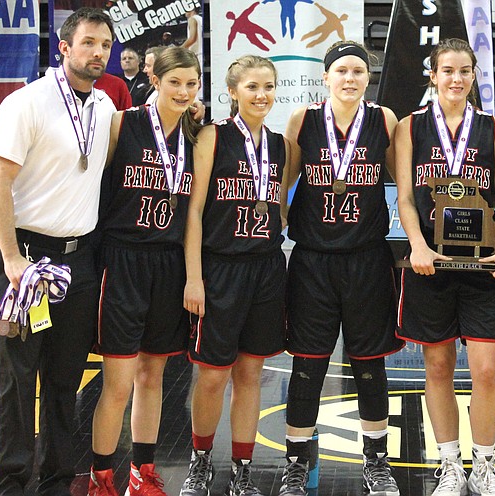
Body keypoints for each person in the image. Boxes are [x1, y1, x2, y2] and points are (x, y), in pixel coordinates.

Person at [0, 7, 116, 496]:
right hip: (25, 259)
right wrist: (12, 258)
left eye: (104, 45)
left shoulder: (103, 108)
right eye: (88, 43)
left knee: (65, 379)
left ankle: (58, 479)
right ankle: (11, 482)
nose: (98, 52)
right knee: (18, 379)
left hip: (79, 261)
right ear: (64, 48)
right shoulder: (29, 102)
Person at [395, 38, 495, 496]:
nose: (456, 79)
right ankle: (449, 464)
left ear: (474, 75)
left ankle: (484, 465)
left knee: (487, 370)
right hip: (431, 265)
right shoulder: (410, 127)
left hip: (484, 264)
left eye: (464, 71)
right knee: (439, 366)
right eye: (447, 71)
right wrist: (417, 245)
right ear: (433, 75)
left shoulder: (492, 127)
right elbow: (405, 197)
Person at [279, 40, 403, 496]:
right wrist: (279, 227)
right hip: (313, 260)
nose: (350, 78)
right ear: (325, 77)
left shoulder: (383, 119)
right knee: (308, 366)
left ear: (367, 78)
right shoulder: (304, 120)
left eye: (358, 71)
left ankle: (377, 462)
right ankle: (296, 464)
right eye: (342, 71)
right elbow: (281, 183)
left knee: (370, 365)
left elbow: (403, 184)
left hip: (367, 258)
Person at [88, 46, 201, 496]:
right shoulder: (123, 123)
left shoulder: (196, 137)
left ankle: (143, 471)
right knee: (118, 381)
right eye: (175, 81)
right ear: (155, 81)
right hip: (124, 259)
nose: (184, 90)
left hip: (169, 263)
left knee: (153, 376)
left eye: (192, 83)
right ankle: (101, 477)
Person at [179, 55, 290, 496]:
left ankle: (243, 467)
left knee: (251, 373)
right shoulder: (212, 136)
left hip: (265, 267)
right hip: (220, 267)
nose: (261, 94)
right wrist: (194, 277)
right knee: (212, 374)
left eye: (268, 86)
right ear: (233, 91)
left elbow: (278, 204)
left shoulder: (280, 144)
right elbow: (194, 211)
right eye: (252, 87)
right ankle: (200, 459)